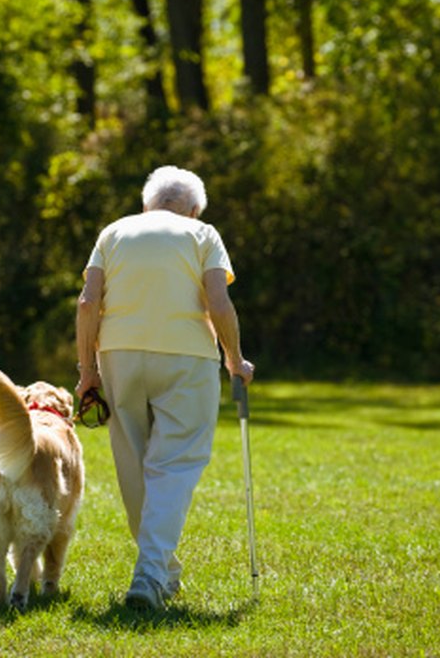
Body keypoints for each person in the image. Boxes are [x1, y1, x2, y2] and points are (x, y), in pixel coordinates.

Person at [75, 165, 254, 610]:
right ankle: (151, 575)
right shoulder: (203, 234)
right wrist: (234, 358)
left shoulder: (114, 232)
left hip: (118, 354)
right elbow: (218, 302)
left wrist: (86, 372)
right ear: (193, 209)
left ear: (145, 205)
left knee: (133, 463)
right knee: (174, 463)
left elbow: (87, 302)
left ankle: (161, 572)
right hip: (187, 357)